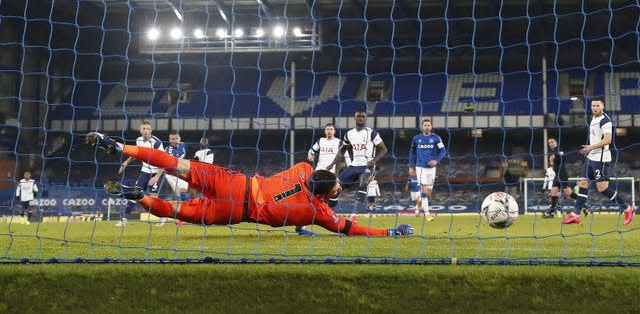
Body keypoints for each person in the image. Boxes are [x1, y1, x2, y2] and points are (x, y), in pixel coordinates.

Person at [85, 132, 413, 237]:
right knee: (176, 211)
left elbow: (306, 179)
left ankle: (119, 147)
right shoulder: (317, 214)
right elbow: (347, 229)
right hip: (232, 213)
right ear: (326, 196)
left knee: (178, 164)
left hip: (236, 184)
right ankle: (139, 196)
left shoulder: (301, 169)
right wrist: (389, 232)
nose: (340, 192)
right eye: (337, 191)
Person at [562, 98, 635, 225]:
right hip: (591, 158)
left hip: (600, 160)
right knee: (583, 184)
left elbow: (607, 140)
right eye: (593, 105)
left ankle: (627, 209)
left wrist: (590, 147)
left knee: (602, 189)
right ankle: (575, 215)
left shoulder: (605, 121)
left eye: (597, 105)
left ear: (603, 106)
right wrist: (590, 151)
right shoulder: (593, 119)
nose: (595, 108)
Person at [325, 109, 388, 209]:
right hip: (354, 166)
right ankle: (329, 210)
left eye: (363, 116)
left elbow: (384, 149)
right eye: (358, 116)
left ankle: (355, 214)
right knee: (336, 187)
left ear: (366, 118)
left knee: (363, 182)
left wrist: (374, 160)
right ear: (355, 118)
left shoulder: (372, 133)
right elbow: (342, 150)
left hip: (367, 166)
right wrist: (332, 164)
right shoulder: (349, 134)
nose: (360, 118)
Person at [116, 120, 165, 227]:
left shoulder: (156, 143)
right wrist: (126, 162)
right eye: (144, 128)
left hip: (156, 172)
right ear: (140, 130)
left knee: (153, 197)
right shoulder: (139, 140)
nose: (146, 131)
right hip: (145, 171)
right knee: (135, 193)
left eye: (148, 129)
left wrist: (156, 177)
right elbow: (136, 154)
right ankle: (124, 219)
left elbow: (164, 161)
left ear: (151, 130)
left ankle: (162, 217)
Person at [297, 123, 342, 236]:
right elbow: (311, 151)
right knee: (311, 196)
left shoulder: (339, 142)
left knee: (336, 193)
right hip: (319, 173)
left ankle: (330, 215)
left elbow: (344, 155)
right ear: (325, 131)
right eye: (327, 129)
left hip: (332, 174)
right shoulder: (321, 141)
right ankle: (301, 225)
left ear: (334, 131)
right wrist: (310, 155)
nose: (329, 131)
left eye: (331, 129)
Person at [407, 118, 446, 221]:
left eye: (428, 125)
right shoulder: (416, 138)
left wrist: (436, 161)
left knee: (428, 193)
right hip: (420, 167)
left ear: (431, 127)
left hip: (431, 169)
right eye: (425, 125)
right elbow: (412, 153)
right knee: (424, 190)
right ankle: (427, 214)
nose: (427, 127)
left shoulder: (436, 138)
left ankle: (420, 202)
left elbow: (443, 151)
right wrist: (411, 166)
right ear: (422, 126)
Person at [542, 137, 584, 218]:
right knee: (553, 193)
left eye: (552, 142)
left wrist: (555, 157)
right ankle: (551, 212)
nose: (550, 143)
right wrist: (552, 160)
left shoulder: (558, 150)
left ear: (556, 143)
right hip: (556, 175)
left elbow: (564, 158)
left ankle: (584, 204)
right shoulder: (553, 152)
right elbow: (554, 163)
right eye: (549, 142)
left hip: (562, 175)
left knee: (568, 192)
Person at [158, 131, 188, 227]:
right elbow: (165, 164)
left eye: (176, 139)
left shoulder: (183, 145)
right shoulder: (168, 150)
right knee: (176, 195)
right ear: (169, 140)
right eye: (172, 139)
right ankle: (165, 215)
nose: (175, 141)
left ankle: (182, 217)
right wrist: (157, 176)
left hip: (181, 174)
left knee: (183, 195)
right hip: (171, 175)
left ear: (180, 139)